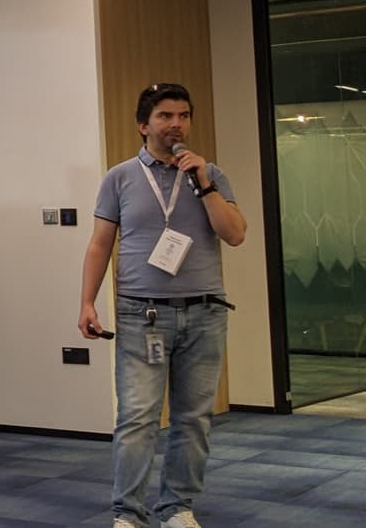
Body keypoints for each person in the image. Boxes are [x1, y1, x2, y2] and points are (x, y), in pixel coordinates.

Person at [78, 83, 247, 528]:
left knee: (194, 419)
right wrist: (87, 302)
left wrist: (204, 183)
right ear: (143, 125)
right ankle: (128, 514)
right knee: (137, 417)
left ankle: (177, 507)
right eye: (165, 116)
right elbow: (99, 244)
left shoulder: (210, 174)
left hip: (206, 312)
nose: (176, 124)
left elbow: (235, 233)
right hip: (142, 314)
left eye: (184, 116)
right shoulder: (119, 177)